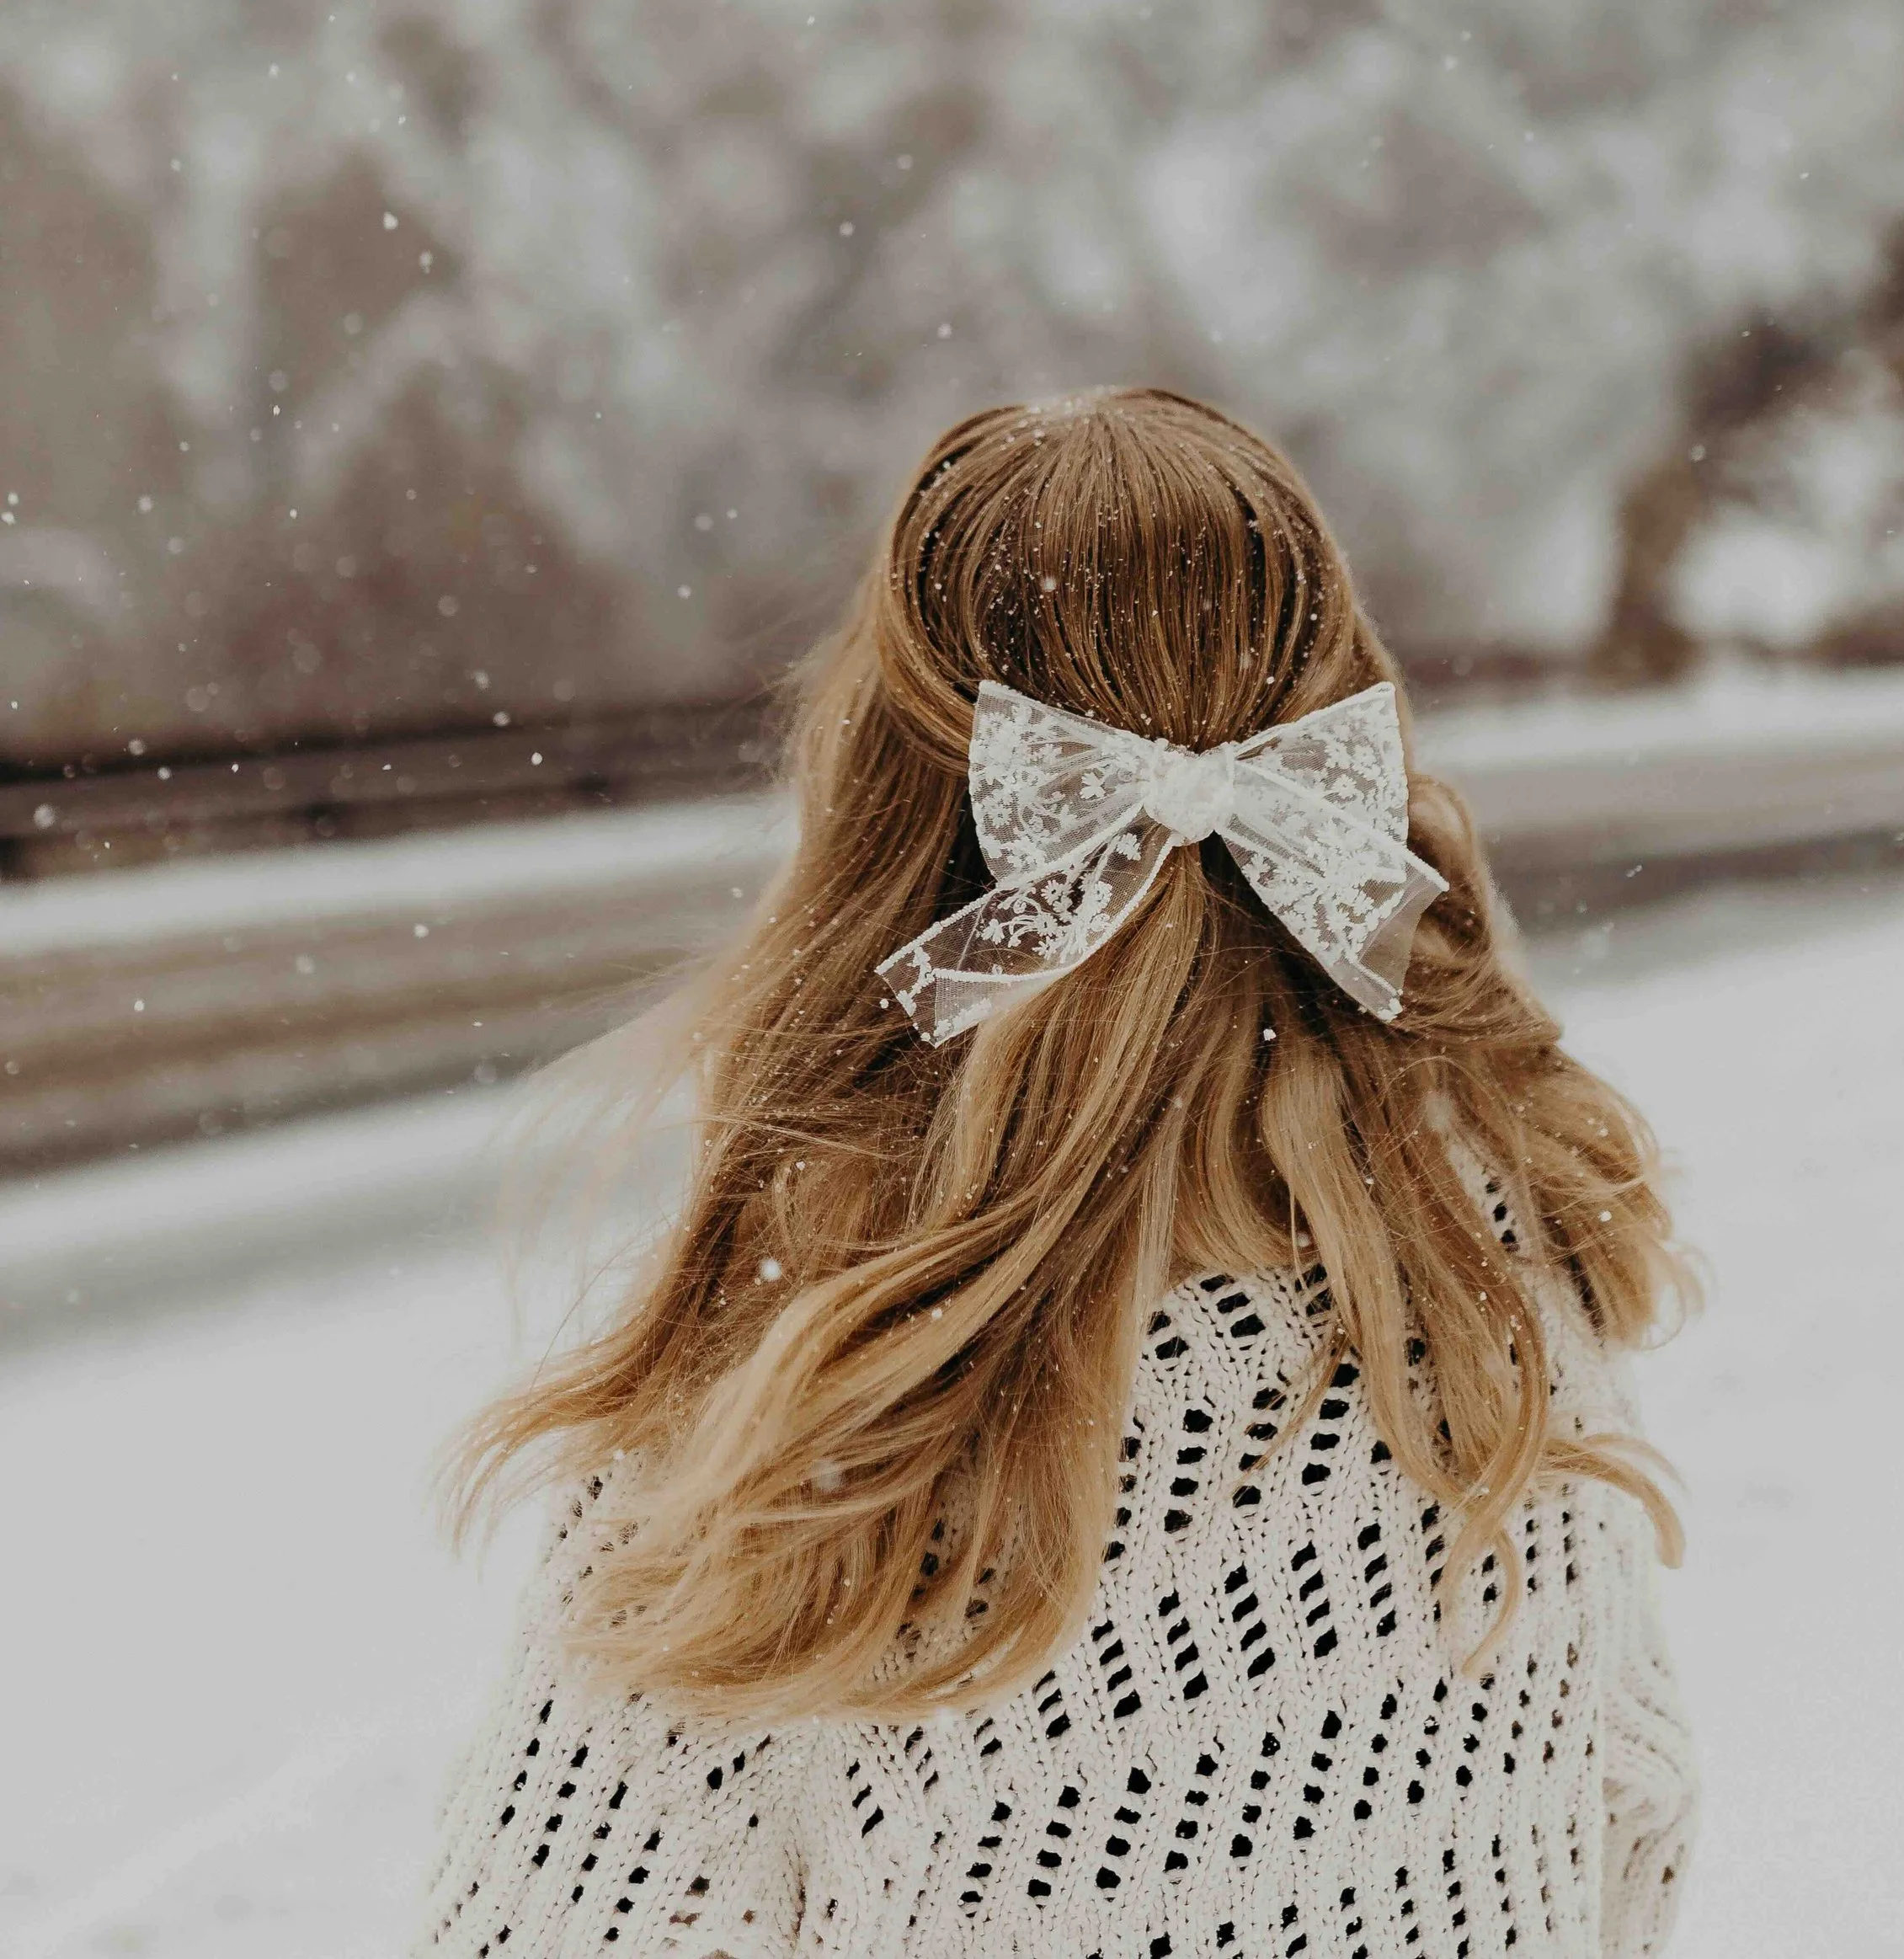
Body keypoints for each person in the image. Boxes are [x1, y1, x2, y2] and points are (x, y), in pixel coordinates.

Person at [421, 387, 1699, 1958]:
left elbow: (562, 1923)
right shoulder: (1495, 1252)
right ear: (1337, 742)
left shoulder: (810, 1377)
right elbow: (1631, 1822)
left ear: (888, 799)